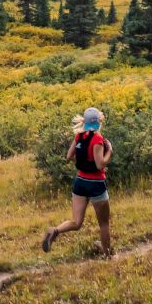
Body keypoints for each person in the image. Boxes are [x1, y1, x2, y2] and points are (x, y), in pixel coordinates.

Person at [41, 106, 114, 257]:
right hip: (96, 184)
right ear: (99, 122)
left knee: (76, 222)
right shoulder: (98, 140)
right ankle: (107, 255)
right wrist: (110, 152)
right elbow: (100, 164)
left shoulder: (79, 137)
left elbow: (68, 157)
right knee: (104, 224)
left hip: (80, 181)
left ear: (85, 122)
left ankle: (55, 231)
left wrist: (82, 162)